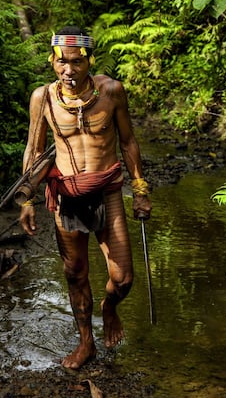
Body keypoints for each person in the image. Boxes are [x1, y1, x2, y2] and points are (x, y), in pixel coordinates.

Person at [19, 26, 152, 369]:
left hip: (107, 190)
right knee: (75, 273)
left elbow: (128, 142)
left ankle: (109, 308)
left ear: (89, 61)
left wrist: (139, 190)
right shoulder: (43, 98)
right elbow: (34, 150)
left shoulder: (111, 92)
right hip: (67, 196)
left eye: (76, 63)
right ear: (52, 61)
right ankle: (85, 343)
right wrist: (27, 199)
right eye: (62, 63)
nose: (68, 71)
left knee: (122, 279)